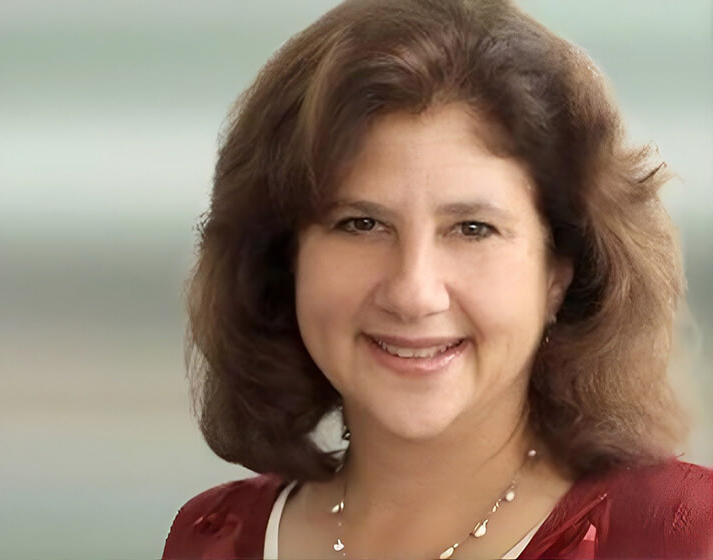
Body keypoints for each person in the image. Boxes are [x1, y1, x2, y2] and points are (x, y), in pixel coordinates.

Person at [162, 0, 712, 558]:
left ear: (560, 273)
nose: (413, 292)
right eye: (362, 223)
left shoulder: (680, 534)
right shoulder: (210, 536)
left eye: (472, 229)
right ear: (283, 259)